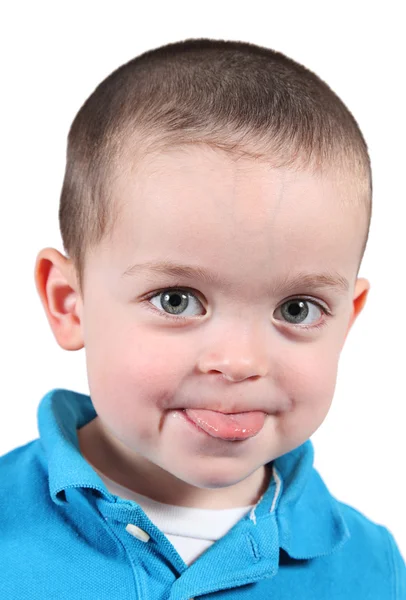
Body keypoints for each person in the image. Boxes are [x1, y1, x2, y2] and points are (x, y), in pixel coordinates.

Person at [1, 38, 404, 599]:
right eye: (176, 300)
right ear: (71, 302)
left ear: (347, 323)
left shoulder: (372, 568)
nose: (239, 362)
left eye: (297, 309)